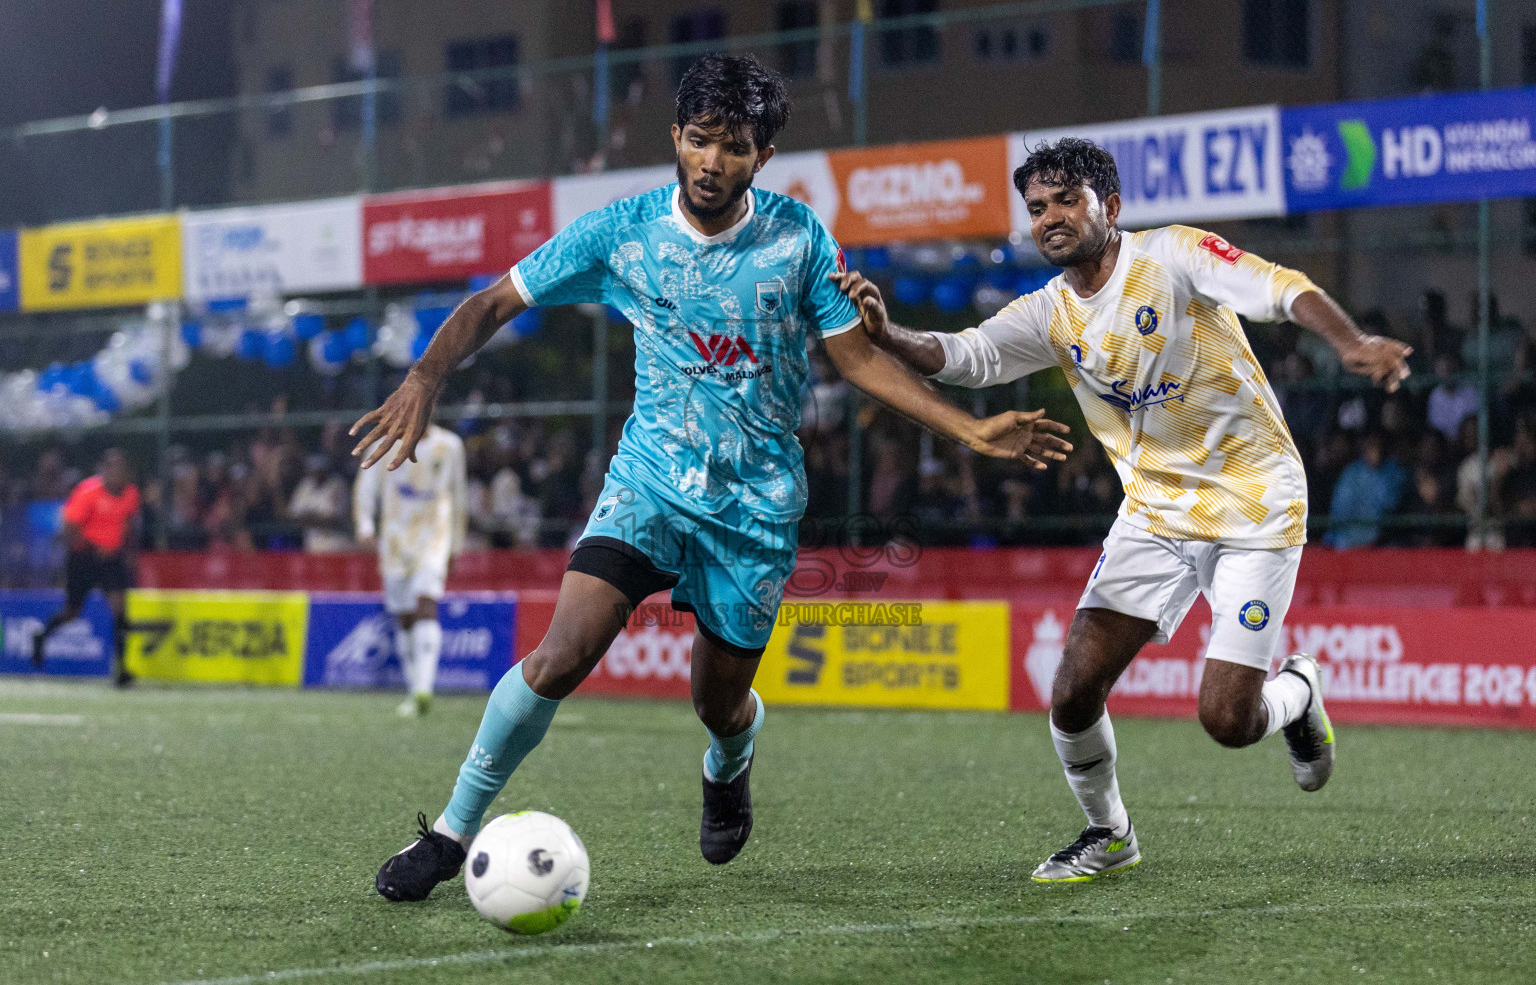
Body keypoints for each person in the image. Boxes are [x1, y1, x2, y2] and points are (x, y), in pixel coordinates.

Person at [354, 54, 1071, 901]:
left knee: (718, 703)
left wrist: (971, 430)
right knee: (558, 656)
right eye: (698, 141)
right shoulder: (621, 231)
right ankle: (448, 835)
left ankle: (728, 764)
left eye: (732, 148)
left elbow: (860, 362)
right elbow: (490, 304)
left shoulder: (798, 239)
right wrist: (424, 377)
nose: (710, 162)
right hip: (648, 486)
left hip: (755, 511)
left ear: (761, 156)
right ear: (676, 138)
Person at [841, 137, 1412, 883]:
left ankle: (1299, 692)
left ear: (1108, 207)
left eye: (1066, 200)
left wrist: (1352, 340)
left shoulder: (1173, 256)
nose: (1049, 218)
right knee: (1073, 690)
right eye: (1037, 208)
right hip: (1155, 516)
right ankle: (1109, 833)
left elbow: (1281, 287)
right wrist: (888, 334)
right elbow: (969, 356)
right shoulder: (1049, 312)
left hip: (1256, 506)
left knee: (1227, 721)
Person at [353, 423, 467, 717]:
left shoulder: (450, 445)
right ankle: (414, 687)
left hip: (434, 534)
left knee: (426, 602)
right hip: (395, 536)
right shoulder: (385, 443)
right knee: (403, 615)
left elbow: (459, 495)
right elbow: (366, 483)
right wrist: (365, 525)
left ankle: (423, 690)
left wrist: (455, 545)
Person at [34, 449, 140, 686]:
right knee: (72, 612)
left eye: (121, 468)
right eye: (113, 468)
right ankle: (41, 636)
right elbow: (69, 526)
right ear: (104, 470)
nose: (117, 473)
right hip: (84, 559)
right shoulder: (88, 491)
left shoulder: (130, 494)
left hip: (111, 560)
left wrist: (125, 550)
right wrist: (93, 547)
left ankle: (122, 669)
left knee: (120, 611)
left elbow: (128, 524)